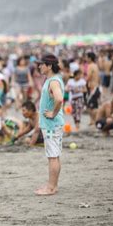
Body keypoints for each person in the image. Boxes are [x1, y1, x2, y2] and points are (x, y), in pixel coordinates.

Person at [35, 55, 64, 196]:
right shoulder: (51, 80)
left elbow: (59, 99)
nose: (39, 67)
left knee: (52, 156)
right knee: (55, 156)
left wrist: (53, 113)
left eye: (41, 64)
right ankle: (54, 185)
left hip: (51, 125)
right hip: (53, 124)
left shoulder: (53, 81)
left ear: (49, 65)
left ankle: (51, 187)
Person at [85, 52, 101, 126]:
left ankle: (94, 120)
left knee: (91, 106)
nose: (86, 59)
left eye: (87, 57)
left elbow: (89, 77)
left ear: (90, 58)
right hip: (96, 86)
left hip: (92, 88)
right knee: (94, 105)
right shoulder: (95, 65)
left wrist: (84, 82)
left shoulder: (90, 66)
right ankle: (93, 120)